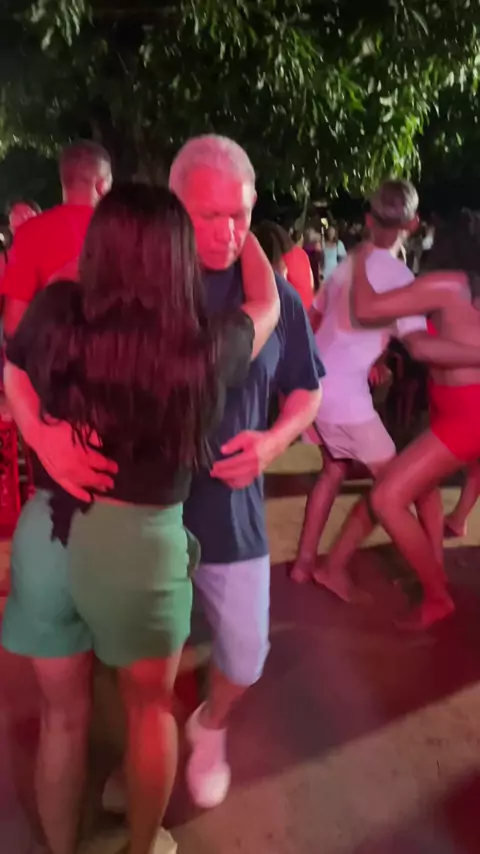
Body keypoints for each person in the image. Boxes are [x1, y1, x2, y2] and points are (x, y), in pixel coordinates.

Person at [6, 135, 324, 815]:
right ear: (173, 210)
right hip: (125, 522)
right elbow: (22, 353)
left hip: (222, 514)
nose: (228, 231)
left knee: (242, 655)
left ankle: (206, 728)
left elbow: (307, 388)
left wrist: (273, 442)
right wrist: (41, 433)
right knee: (130, 683)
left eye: (240, 214)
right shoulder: (119, 283)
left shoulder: (268, 297)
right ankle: (141, 784)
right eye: (209, 216)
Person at [292, 184, 480, 621]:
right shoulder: (403, 277)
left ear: (368, 219)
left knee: (335, 472)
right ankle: (432, 580)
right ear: (412, 225)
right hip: (348, 398)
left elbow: (316, 319)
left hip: (320, 387)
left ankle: (306, 564)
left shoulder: (345, 266)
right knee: (412, 491)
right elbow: (415, 343)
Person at [349, 208, 480, 629]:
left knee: (386, 497)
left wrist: (360, 257)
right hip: (453, 406)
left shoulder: (448, 284)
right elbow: (426, 347)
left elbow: (366, 308)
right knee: (423, 488)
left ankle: (437, 595)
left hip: (466, 413)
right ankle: (435, 572)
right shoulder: (464, 288)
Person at [0, 140, 112, 337]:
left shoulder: (30, 233)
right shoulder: (130, 231)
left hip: (51, 352)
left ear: (64, 182)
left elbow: (13, 325)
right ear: (102, 186)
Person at [253, 221, 314, 309]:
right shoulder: (302, 253)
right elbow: (311, 284)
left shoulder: (277, 264)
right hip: (308, 309)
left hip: (293, 310)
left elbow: (280, 292)